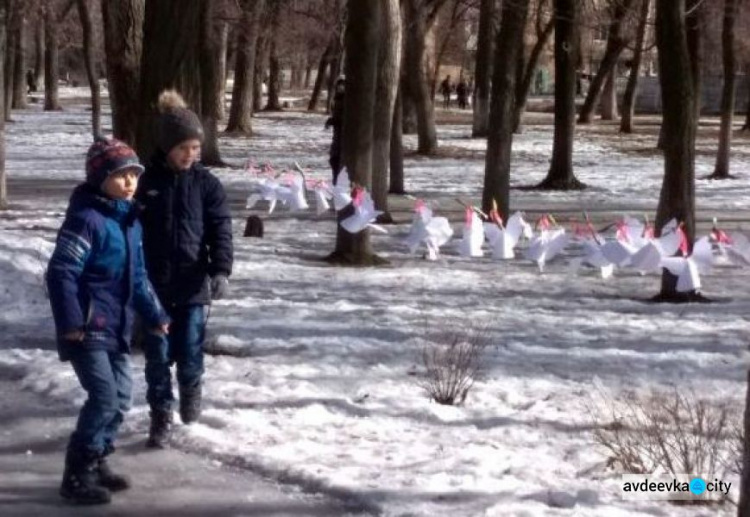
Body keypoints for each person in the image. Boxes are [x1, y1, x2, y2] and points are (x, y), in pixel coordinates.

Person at [47, 137, 170, 505]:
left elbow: (138, 278)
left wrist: (156, 314)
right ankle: (76, 473)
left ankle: (98, 458)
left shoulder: (129, 222)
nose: (130, 183)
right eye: (120, 176)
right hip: (86, 328)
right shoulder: (87, 220)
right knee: (103, 397)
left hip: (115, 327)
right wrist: (71, 322)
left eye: (134, 174)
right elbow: (61, 272)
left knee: (120, 398)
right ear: (100, 178)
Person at [136, 90, 233, 449]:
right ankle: (160, 415)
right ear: (166, 147)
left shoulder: (207, 185)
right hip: (153, 288)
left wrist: (220, 270)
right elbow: (131, 230)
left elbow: (220, 228)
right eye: (183, 149)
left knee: (190, 352)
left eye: (195, 148)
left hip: (193, 286)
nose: (190, 155)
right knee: (158, 357)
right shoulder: (146, 183)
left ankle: (191, 392)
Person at [324, 77, 345, 185]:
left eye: (343, 85)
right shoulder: (337, 99)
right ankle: (336, 182)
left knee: (337, 160)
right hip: (337, 135)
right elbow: (336, 115)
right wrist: (331, 120)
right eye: (339, 85)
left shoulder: (347, 100)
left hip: (345, 136)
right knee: (334, 159)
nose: (340, 87)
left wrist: (335, 121)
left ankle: (338, 182)